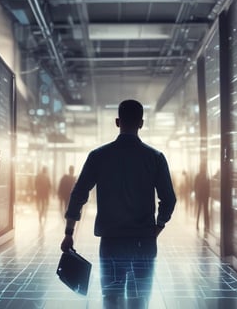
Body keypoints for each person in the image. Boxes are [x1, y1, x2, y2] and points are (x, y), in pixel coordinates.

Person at [60, 99, 177, 309]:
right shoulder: (155, 158)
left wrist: (69, 232)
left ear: (117, 122)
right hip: (144, 242)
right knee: (139, 299)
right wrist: (157, 227)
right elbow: (168, 199)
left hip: (111, 241)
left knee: (111, 298)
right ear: (141, 123)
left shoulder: (98, 156)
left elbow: (79, 194)